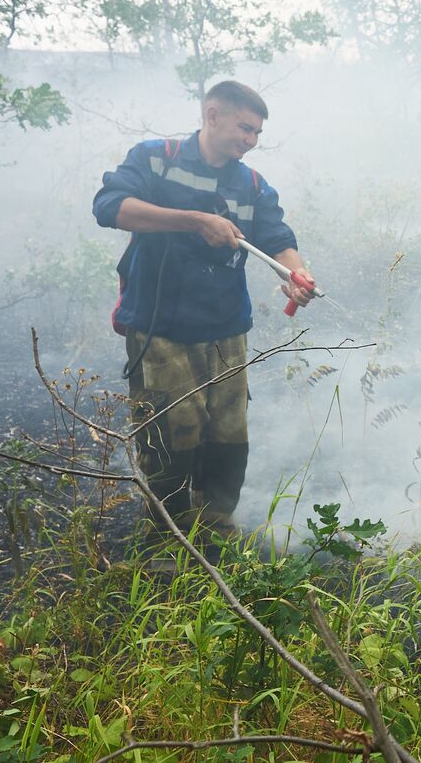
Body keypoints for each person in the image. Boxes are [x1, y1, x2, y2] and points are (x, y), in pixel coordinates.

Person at [91, 80, 314, 546]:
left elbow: (276, 237)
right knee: (173, 434)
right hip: (160, 326)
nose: (250, 141)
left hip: (225, 328)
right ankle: (165, 540)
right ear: (212, 115)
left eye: (256, 133)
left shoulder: (251, 184)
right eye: (244, 128)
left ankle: (215, 535)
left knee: (227, 438)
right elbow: (110, 207)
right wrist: (194, 219)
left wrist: (295, 273)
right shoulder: (157, 158)